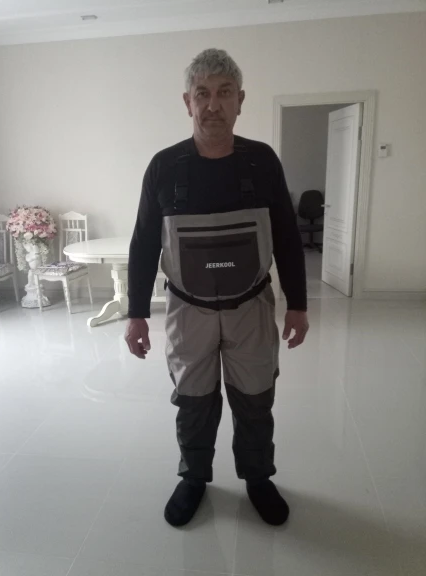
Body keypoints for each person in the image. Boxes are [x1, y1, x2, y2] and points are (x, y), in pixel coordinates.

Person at [125, 48, 309, 528]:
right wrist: (136, 313)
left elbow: (287, 236)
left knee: (255, 398)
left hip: (252, 308)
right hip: (188, 311)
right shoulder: (164, 167)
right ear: (187, 101)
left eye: (224, 93)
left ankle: (258, 478)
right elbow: (143, 242)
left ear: (240, 100)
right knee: (193, 401)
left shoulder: (261, 161)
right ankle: (193, 478)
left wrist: (298, 304)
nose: (213, 104)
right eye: (202, 93)